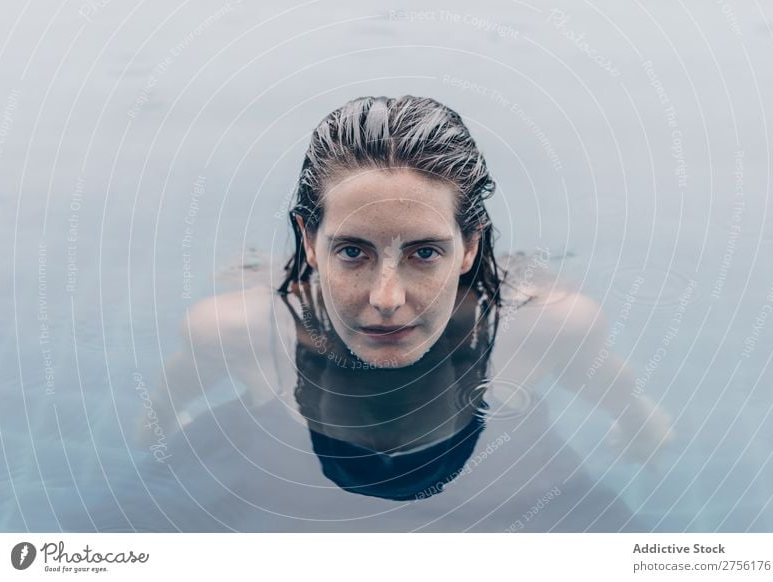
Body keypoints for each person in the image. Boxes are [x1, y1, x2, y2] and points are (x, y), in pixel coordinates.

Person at [137, 96, 674, 512]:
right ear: (308, 241)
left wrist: (639, 424)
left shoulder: (545, 325)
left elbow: (616, 393)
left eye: (423, 253)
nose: (387, 299)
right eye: (352, 251)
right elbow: (171, 396)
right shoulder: (238, 331)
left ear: (469, 247)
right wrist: (158, 422)